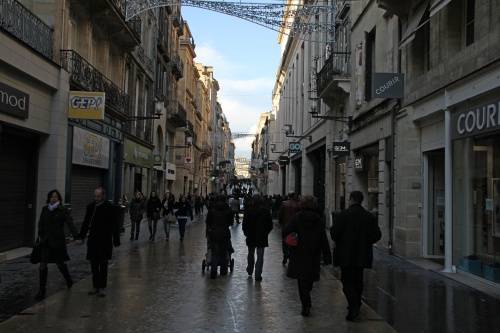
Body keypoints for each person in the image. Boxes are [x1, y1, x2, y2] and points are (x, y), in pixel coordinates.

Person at [330, 190, 382, 322]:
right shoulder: (368, 216)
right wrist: (366, 241)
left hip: (346, 253)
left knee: (346, 280)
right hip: (362, 254)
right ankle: (356, 303)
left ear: (351, 199)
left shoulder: (344, 215)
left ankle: (354, 306)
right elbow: (377, 235)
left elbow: (334, 234)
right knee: (358, 279)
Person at [283, 194, 332, 317]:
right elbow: (323, 238)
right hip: (313, 253)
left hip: (299, 252)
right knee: (308, 280)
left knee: (302, 281)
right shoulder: (319, 220)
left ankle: (306, 305)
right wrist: (327, 256)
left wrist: (293, 238)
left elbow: (286, 231)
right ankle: (307, 303)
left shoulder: (297, 218)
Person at [35, 189, 80, 301]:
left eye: (55, 197)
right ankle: (42, 290)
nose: (53, 198)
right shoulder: (45, 209)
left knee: (60, 264)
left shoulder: (62, 210)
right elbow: (40, 224)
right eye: (51, 197)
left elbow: (70, 223)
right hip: (46, 242)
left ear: (59, 198)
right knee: (42, 265)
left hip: (58, 242)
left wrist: (76, 236)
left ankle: (68, 279)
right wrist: (41, 235)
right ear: (49, 198)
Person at [75, 187, 120, 297]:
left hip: (105, 239)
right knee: (93, 263)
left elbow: (114, 225)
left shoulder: (110, 208)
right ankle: (95, 285)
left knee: (103, 264)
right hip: (93, 239)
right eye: (95, 196)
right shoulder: (90, 207)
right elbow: (86, 223)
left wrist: (116, 239)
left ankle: (102, 286)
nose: (96, 198)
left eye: (98, 196)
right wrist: (81, 237)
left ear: (103, 196)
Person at [242, 194, 273, 281]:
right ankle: (258, 274)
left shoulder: (248, 211)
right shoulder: (266, 211)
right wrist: (265, 233)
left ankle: (250, 269)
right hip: (262, 236)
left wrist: (246, 233)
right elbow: (270, 225)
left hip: (251, 236)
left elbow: (244, 224)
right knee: (260, 255)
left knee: (250, 253)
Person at [205, 194, 233, 279]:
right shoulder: (228, 209)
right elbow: (231, 222)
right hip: (224, 233)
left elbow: (208, 221)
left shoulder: (212, 209)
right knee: (223, 252)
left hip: (214, 233)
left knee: (214, 252)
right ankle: (223, 271)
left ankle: (213, 271)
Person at [279, 191, 300, 265]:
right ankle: (291, 256)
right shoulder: (297, 204)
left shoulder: (283, 204)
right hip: (294, 227)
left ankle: (285, 255)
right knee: (293, 241)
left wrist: (281, 222)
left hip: (285, 226)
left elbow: (280, 215)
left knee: (285, 242)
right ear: (294, 196)